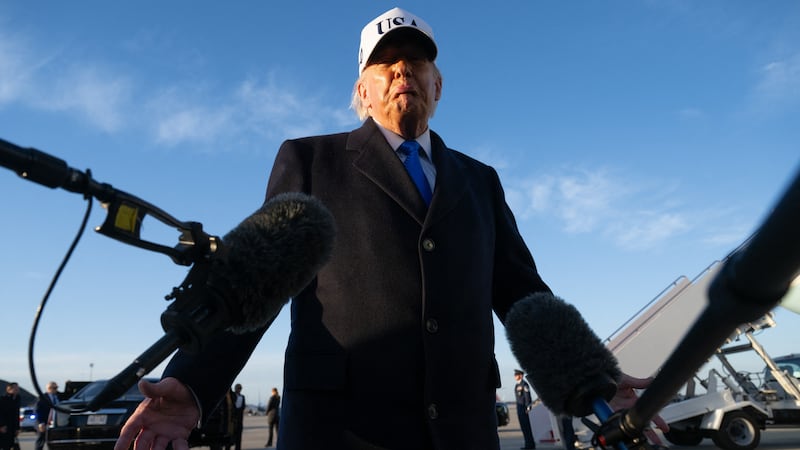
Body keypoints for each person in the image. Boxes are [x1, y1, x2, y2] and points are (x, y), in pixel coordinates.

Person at [115, 7, 650, 450]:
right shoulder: (310, 160)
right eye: (385, 63)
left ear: (437, 84)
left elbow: (522, 293)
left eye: (415, 60)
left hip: (464, 429)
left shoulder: (480, 180)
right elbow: (256, 280)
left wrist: (590, 381)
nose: (401, 71)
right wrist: (193, 380)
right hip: (341, 429)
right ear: (362, 91)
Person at [513, 370, 536, 449]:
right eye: (515, 375)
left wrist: (528, 406)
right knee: (524, 428)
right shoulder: (517, 385)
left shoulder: (524, 384)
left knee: (527, 428)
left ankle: (530, 445)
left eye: (516, 375)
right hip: (519, 409)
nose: (515, 376)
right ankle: (528, 444)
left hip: (524, 409)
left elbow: (527, 396)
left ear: (521, 375)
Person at [34, 382, 59, 450]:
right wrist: (41, 423)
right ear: (49, 388)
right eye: (54, 388)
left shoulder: (57, 397)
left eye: (56, 388)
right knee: (41, 441)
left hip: (54, 423)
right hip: (44, 422)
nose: (56, 390)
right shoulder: (42, 397)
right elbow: (37, 410)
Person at [0, 382, 21, 450]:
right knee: (4, 445)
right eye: (15, 388)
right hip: (4, 426)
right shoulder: (3, 399)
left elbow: (17, 414)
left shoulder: (17, 399)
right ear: (9, 389)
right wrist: (2, 425)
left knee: (10, 445)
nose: (17, 390)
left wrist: (17, 428)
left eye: (18, 388)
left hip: (12, 427)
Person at [231, 384, 245, 450]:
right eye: (238, 388)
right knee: (231, 436)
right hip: (232, 420)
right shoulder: (232, 395)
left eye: (240, 388)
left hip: (240, 419)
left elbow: (243, 406)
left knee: (239, 437)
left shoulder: (242, 396)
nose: (239, 389)